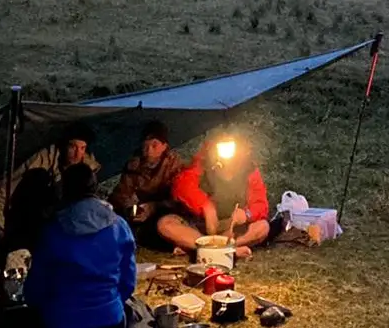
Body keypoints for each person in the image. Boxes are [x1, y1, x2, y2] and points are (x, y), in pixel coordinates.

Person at [28, 164, 138, 328]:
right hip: (109, 317)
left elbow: (36, 289)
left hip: (63, 319)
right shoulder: (119, 226)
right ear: (95, 187)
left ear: (64, 191)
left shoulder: (52, 231)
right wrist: (109, 304)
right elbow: (128, 282)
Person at [159, 135, 271, 259]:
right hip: (198, 225)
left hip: (229, 228)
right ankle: (222, 250)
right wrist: (205, 206)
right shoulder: (203, 163)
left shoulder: (249, 170)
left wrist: (246, 215)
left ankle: (211, 249)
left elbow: (261, 204)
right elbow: (181, 186)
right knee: (166, 224)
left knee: (262, 227)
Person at [0, 122, 101, 248]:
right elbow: (0, 193)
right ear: (64, 146)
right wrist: (4, 233)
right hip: (33, 229)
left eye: (82, 148)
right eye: (73, 147)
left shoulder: (87, 172)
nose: (77, 154)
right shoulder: (45, 160)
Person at [107, 120, 187, 249]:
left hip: (165, 211)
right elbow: (120, 194)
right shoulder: (134, 164)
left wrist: (154, 207)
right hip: (140, 213)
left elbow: (179, 198)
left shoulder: (174, 165)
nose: (149, 150)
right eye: (146, 146)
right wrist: (130, 208)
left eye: (154, 145)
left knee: (162, 227)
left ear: (164, 146)